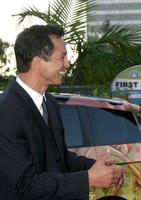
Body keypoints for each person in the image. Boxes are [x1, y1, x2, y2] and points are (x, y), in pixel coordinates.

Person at [0, 24, 125, 200]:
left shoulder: (50, 103)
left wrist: (97, 167)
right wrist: (88, 179)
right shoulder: (5, 111)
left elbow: (60, 159)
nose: (67, 64)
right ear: (37, 62)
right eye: (63, 57)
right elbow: (25, 185)